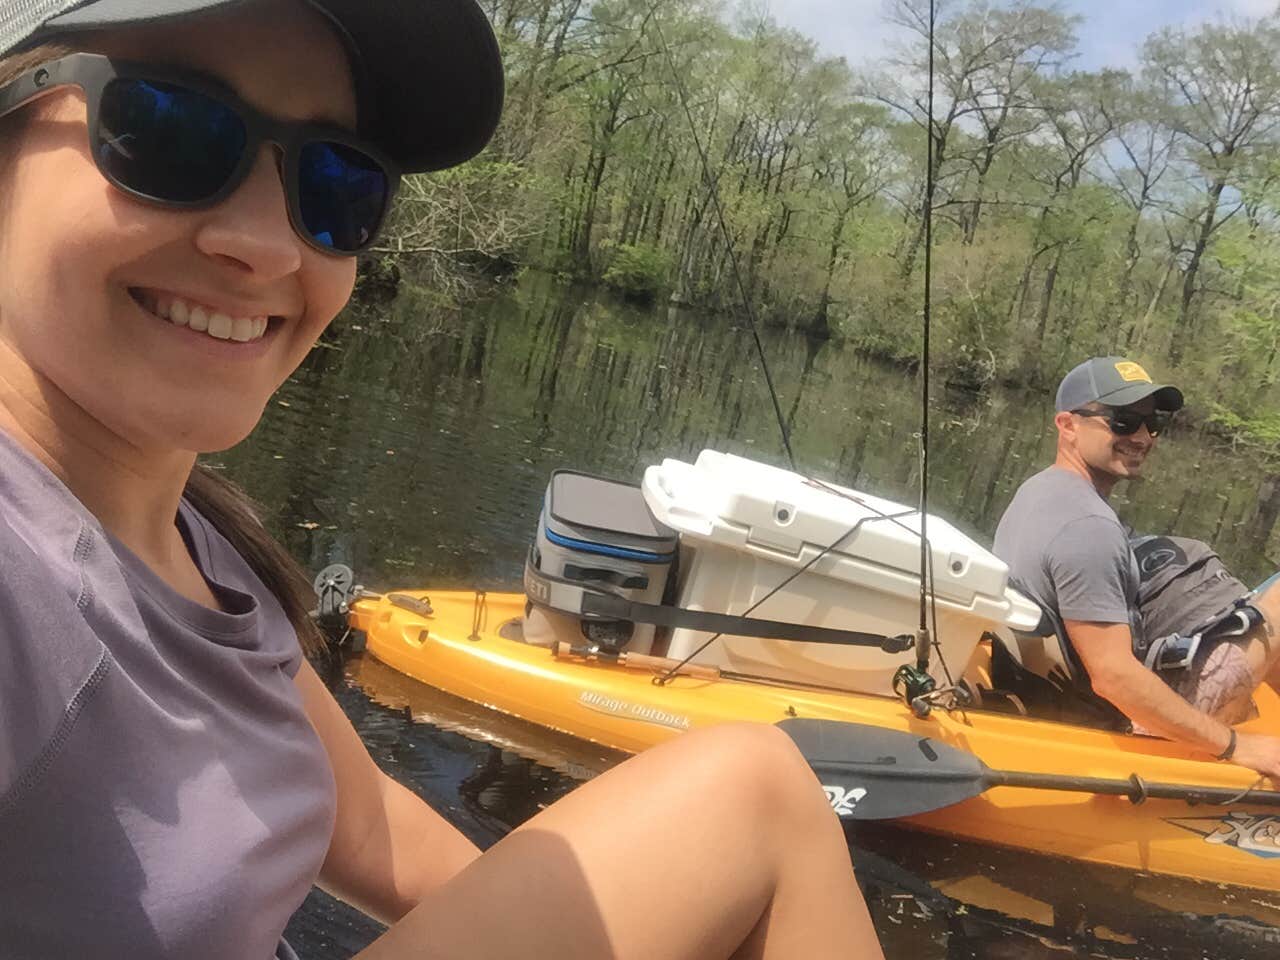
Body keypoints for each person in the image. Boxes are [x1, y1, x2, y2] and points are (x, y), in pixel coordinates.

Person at [0, 1, 885, 957]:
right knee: (758, 795)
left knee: (755, 800)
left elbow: (364, 819)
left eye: (336, 183)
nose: (270, 244)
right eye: (167, 129)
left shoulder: (199, 547)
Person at [993, 356, 1280, 780]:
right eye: (1123, 421)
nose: (1143, 437)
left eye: (1153, 423)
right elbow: (1113, 677)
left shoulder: (1039, 491)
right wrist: (1237, 746)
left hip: (1052, 692)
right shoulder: (1088, 528)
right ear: (1068, 425)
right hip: (1122, 727)